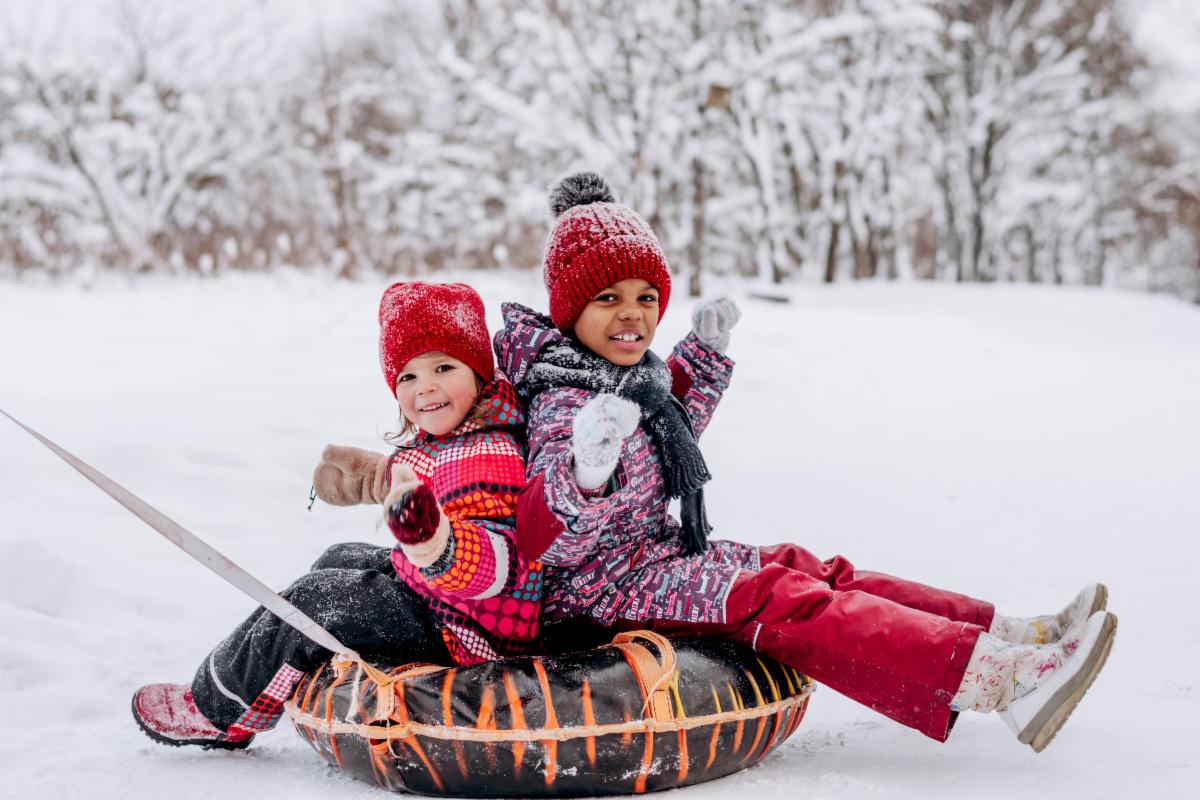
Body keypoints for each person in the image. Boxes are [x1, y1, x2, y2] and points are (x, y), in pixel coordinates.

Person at [494, 171, 1117, 753]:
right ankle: (999, 683)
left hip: (653, 555)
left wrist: (703, 356)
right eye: (608, 297)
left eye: (647, 294)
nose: (632, 313)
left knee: (807, 565)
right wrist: (585, 473)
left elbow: (665, 441)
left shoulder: (632, 378)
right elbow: (546, 544)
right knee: (780, 595)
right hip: (599, 593)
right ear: (569, 309)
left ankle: (1008, 634)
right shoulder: (565, 399)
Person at [131, 281, 542, 749]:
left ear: (478, 373)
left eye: (442, 367)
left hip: (470, 629)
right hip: (446, 598)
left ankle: (219, 708)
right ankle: (303, 661)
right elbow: (424, 473)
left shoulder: (486, 456)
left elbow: (498, 565)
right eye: (406, 377)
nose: (424, 387)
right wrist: (373, 476)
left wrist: (438, 545)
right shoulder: (460, 436)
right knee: (339, 556)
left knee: (317, 597)